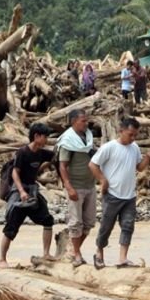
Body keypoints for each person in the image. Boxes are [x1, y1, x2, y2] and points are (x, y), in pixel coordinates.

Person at [89, 117, 150, 269]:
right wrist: (102, 180)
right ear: (121, 131)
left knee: (128, 226)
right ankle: (99, 253)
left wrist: (147, 158)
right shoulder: (109, 147)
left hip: (129, 195)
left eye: (135, 135)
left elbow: (139, 167)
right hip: (112, 194)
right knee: (106, 225)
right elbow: (92, 164)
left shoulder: (135, 148)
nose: (133, 138)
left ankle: (122, 258)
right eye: (130, 134)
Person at [0, 123, 56, 268]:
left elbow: (56, 156)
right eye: (45, 137)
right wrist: (22, 191)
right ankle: (2, 259)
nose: (47, 140)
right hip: (20, 192)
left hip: (33, 191)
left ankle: (46, 253)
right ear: (36, 136)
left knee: (48, 220)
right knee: (11, 226)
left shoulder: (42, 153)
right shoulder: (22, 152)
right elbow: (15, 172)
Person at [57, 109, 96, 267]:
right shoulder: (68, 140)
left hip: (90, 184)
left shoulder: (88, 137)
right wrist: (68, 186)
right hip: (76, 185)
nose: (86, 124)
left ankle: (74, 250)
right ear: (74, 121)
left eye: (87, 121)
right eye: (83, 121)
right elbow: (63, 165)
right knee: (75, 222)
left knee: (89, 222)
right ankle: (77, 253)